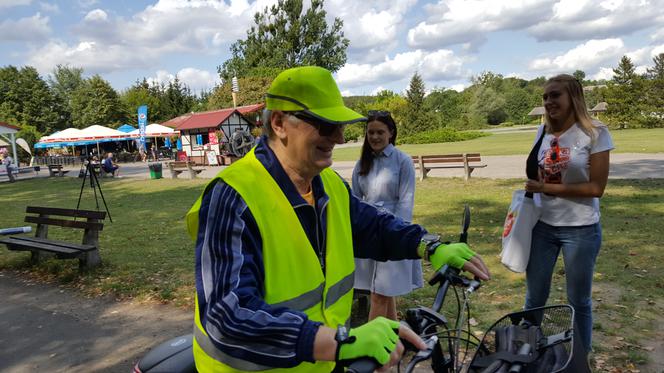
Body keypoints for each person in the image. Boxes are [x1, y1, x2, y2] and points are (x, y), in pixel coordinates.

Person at [185, 66, 490, 373]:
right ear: (279, 123)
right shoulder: (234, 197)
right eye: (325, 124)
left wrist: (428, 246)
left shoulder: (328, 184)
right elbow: (227, 317)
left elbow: (373, 226)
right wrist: (341, 342)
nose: (340, 138)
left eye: (341, 126)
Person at [524, 74, 614, 353]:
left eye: (555, 95)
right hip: (542, 226)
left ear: (572, 97)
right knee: (534, 297)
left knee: (579, 301)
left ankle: (580, 359)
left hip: (581, 228)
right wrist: (538, 182)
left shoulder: (595, 133)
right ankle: (527, 354)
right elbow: (539, 173)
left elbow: (596, 188)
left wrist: (549, 188)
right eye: (545, 97)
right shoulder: (542, 132)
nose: (549, 101)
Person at [352, 110, 421, 321]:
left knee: (380, 293)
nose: (374, 137)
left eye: (379, 132)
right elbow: (354, 199)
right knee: (381, 290)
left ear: (391, 132)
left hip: (392, 230)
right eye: (370, 132)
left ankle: (373, 350)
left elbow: (405, 201)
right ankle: (393, 340)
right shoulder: (362, 162)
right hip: (368, 231)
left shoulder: (402, 161)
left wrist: (397, 236)